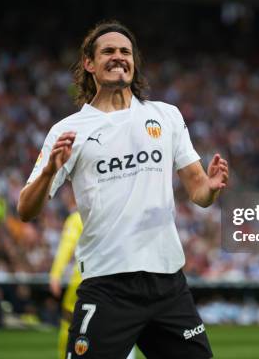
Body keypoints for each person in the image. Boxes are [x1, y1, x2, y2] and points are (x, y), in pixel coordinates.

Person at [18, 20, 228, 358]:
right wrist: (48, 173)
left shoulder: (166, 116)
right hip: (107, 285)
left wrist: (212, 187)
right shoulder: (69, 129)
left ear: (134, 61)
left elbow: (198, 192)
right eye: (108, 51)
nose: (118, 57)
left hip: (167, 283)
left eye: (125, 51)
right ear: (89, 64)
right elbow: (25, 210)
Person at [49, 184, 135, 359]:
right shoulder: (119, 216)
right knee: (119, 327)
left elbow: (66, 247)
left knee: (71, 323)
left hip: (85, 282)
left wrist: (55, 274)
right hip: (116, 283)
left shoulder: (77, 218)